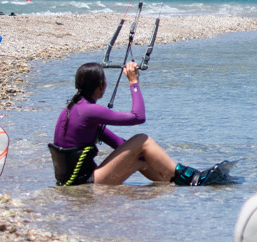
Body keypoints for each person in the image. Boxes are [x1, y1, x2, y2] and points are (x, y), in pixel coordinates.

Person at [50, 61, 213, 186]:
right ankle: (190, 177)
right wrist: (133, 82)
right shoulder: (88, 110)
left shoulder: (75, 109)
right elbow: (138, 117)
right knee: (142, 139)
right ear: (101, 86)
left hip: (75, 181)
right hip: (85, 182)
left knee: (140, 162)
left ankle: (174, 183)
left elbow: (118, 143)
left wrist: (151, 157)